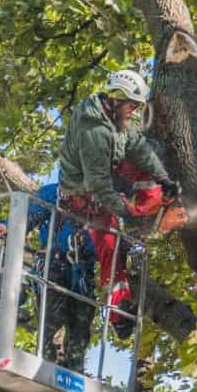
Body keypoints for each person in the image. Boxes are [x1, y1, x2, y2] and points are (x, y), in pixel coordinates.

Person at [57, 69, 180, 337]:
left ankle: (147, 216)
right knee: (110, 245)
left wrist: (164, 179)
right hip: (83, 196)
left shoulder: (118, 122)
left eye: (136, 106)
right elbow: (99, 186)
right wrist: (126, 212)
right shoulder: (94, 130)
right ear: (115, 99)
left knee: (147, 162)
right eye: (131, 105)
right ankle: (118, 313)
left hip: (106, 182)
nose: (134, 111)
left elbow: (140, 150)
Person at [0, 183, 97, 373]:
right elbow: (31, 214)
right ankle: (46, 363)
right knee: (51, 321)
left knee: (80, 326)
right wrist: (8, 226)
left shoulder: (101, 198)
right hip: (55, 264)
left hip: (83, 272)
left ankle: (75, 369)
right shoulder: (55, 193)